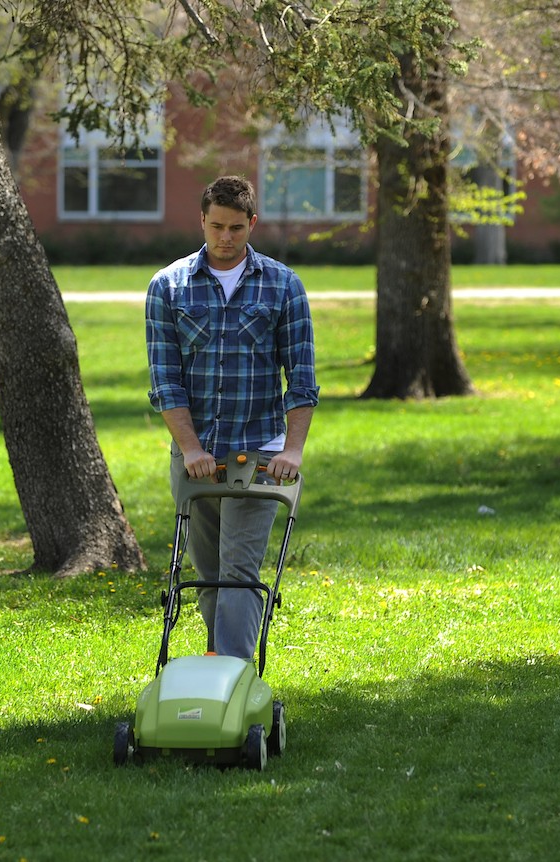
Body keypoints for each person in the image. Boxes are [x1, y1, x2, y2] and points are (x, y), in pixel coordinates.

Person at [145, 175, 318, 661]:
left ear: (252, 224)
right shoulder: (169, 286)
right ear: (201, 219)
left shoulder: (283, 285)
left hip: (260, 452)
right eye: (216, 226)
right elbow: (165, 381)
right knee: (208, 578)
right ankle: (216, 671)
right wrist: (192, 448)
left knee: (239, 573)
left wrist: (292, 450)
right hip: (195, 454)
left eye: (236, 228)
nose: (225, 237)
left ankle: (235, 683)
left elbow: (301, 378)